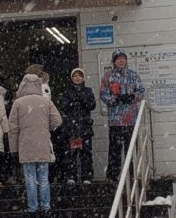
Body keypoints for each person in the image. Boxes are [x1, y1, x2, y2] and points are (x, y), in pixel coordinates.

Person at [8, 73, 63, 215]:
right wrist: (46, 127)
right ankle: (46, 207)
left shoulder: (18, 103)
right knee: (44, 178)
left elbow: (13, 128)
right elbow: (58, 121)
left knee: (30, 179)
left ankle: (32, 208)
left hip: (25, 145)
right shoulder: (45, 102)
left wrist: (13, 149)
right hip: (42, 143)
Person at [99, 50, 145, 183]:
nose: (121, 61)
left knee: (131, 150)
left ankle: (133, 175)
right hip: (115, 120)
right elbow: (103, 94)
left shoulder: (133, 75)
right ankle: (112, 176)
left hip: (131, 119)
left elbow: (141, 92)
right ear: (114, 61)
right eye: (118, 58)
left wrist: (131, 97)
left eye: (123, 58)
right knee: (114, 150)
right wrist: (115, 100)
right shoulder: (108, 76)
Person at [58, 67, 97, 184]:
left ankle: (87, 176)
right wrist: (72, 102)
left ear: (83, 78)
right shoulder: (67, 91)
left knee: (86, 153)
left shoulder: (88, 90)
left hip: (85, 127)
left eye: (79, 75)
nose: (77, 78)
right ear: (71, 78)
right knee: (72, 153)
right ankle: (71, 176)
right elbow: (63, 106)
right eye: (75, 76)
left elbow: (92, 105)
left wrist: (83, 100)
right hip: (72, 128)